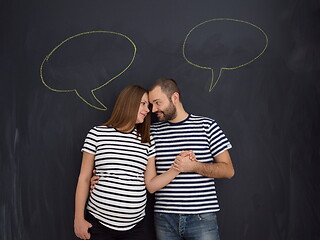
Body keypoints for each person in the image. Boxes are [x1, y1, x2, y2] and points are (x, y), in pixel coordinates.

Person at [91, 78, 234, 240]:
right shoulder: (150, 132)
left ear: (174, 97)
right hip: (164, 218)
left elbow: (228, 170)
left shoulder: (207, 126)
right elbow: (125, 155)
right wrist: (101, 180)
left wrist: (194, 166)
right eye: (150, 105)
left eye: (157, 103)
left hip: (201, 217)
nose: (153, 110)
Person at [74, 85, 180, 240]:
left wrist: (177, 168)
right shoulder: (97, 134)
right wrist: (78, 218)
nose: (148, 110)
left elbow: (150, 185)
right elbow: (83, 178)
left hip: (135, 228)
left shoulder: (146, 141)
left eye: (148, 105)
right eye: (143, 103)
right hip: (98, 224)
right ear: (129, 103)